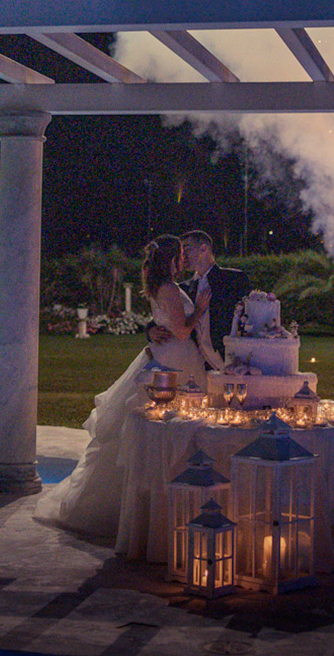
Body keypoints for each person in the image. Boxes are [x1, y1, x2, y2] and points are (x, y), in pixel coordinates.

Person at [34, 235, 223, 538]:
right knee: (172, 427)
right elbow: (183, 331)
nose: (184, 259)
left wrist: (154, 328)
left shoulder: (160, 286)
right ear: (171, 259)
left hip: (171, 356)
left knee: (171, 427)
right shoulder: (170, 288)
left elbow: (164, 320)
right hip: (176, 362)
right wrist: (199, 308)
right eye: (180, 255)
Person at [179, 230, 251, 346]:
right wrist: (150, 330)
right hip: (197, 360)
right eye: (181, 252)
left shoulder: (234, 279)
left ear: (203, 249)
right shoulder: (184, 287)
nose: (183, 257)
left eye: (187, 250)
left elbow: (249, 317)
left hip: (228, 354)